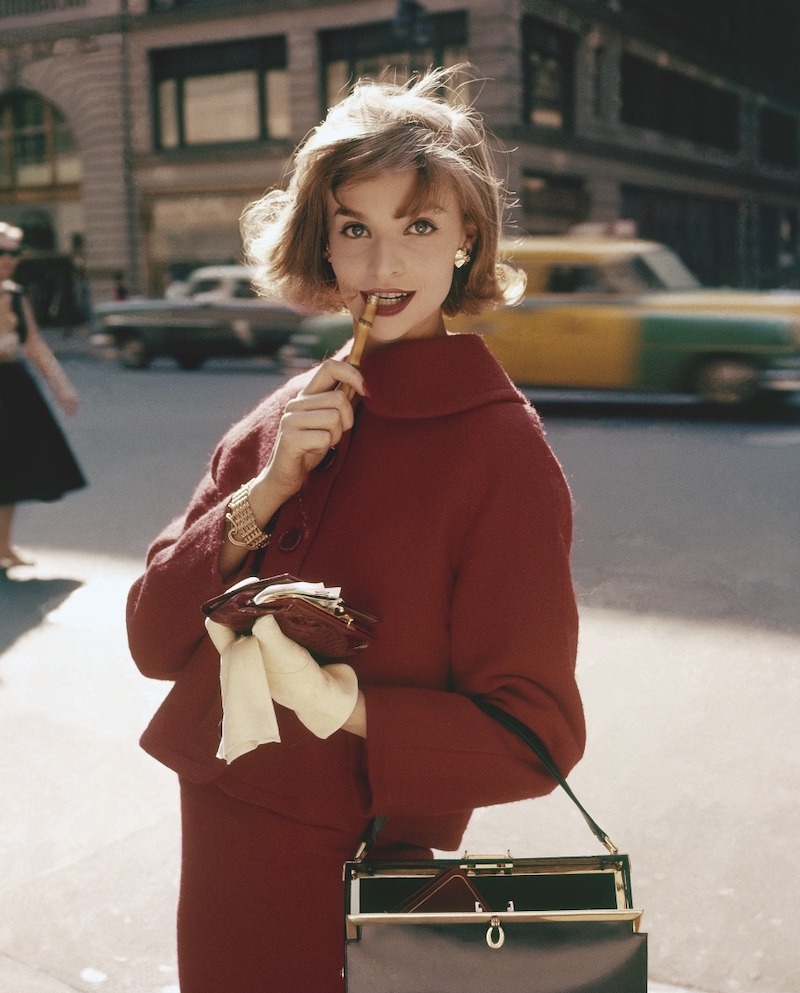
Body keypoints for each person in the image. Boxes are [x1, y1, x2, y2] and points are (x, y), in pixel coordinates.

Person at [127, 67, 586, 993]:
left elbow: (537, 737)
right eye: (355, 229)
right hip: (221, 828)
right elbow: (150, 637)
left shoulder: (499, 447)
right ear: (324, 248)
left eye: (419, 226)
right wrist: (266, 489)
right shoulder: (283, 416)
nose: (385, 267)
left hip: (369, 864)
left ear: (467, 241)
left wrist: (344, 707)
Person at [0, 221, 85, 572]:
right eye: (2, 252)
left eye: (14, 253)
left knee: (12, 471)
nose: (9, 259)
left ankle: (3, 546)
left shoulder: (16, 294)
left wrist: (62, 387)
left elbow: (33, 343)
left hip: (11, 386)